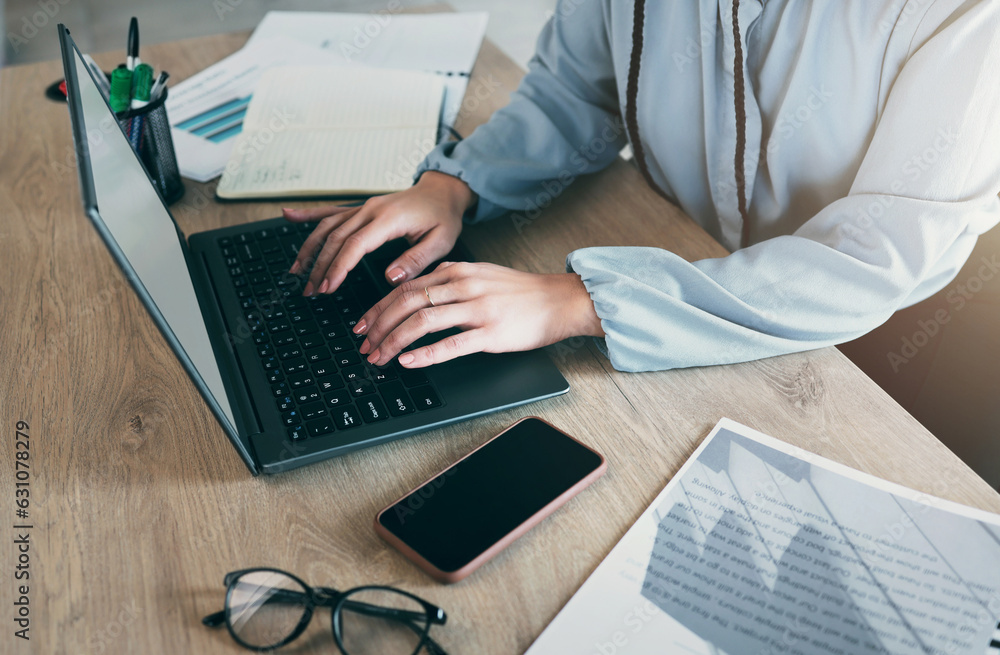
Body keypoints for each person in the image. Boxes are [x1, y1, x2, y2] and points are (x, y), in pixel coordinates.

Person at [283, 0, 1000, 372]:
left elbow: (871, 260)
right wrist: (456, 183)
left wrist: (580, 299)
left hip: (871, 347)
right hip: (669, 260)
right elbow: (576, 91)